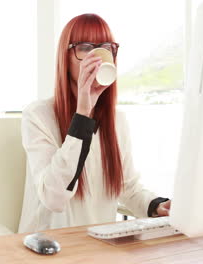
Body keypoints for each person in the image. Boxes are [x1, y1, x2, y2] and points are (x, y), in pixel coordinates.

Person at [18, 13, 170, 233]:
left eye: (106, 47)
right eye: (85, 47)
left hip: (100, 244)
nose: (97, 57)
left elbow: (128, 188)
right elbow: (53, 197)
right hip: (49, 245)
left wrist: (158, 206)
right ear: (65, 57)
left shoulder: (118, 121)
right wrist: (83, 113)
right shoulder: (38, 115)